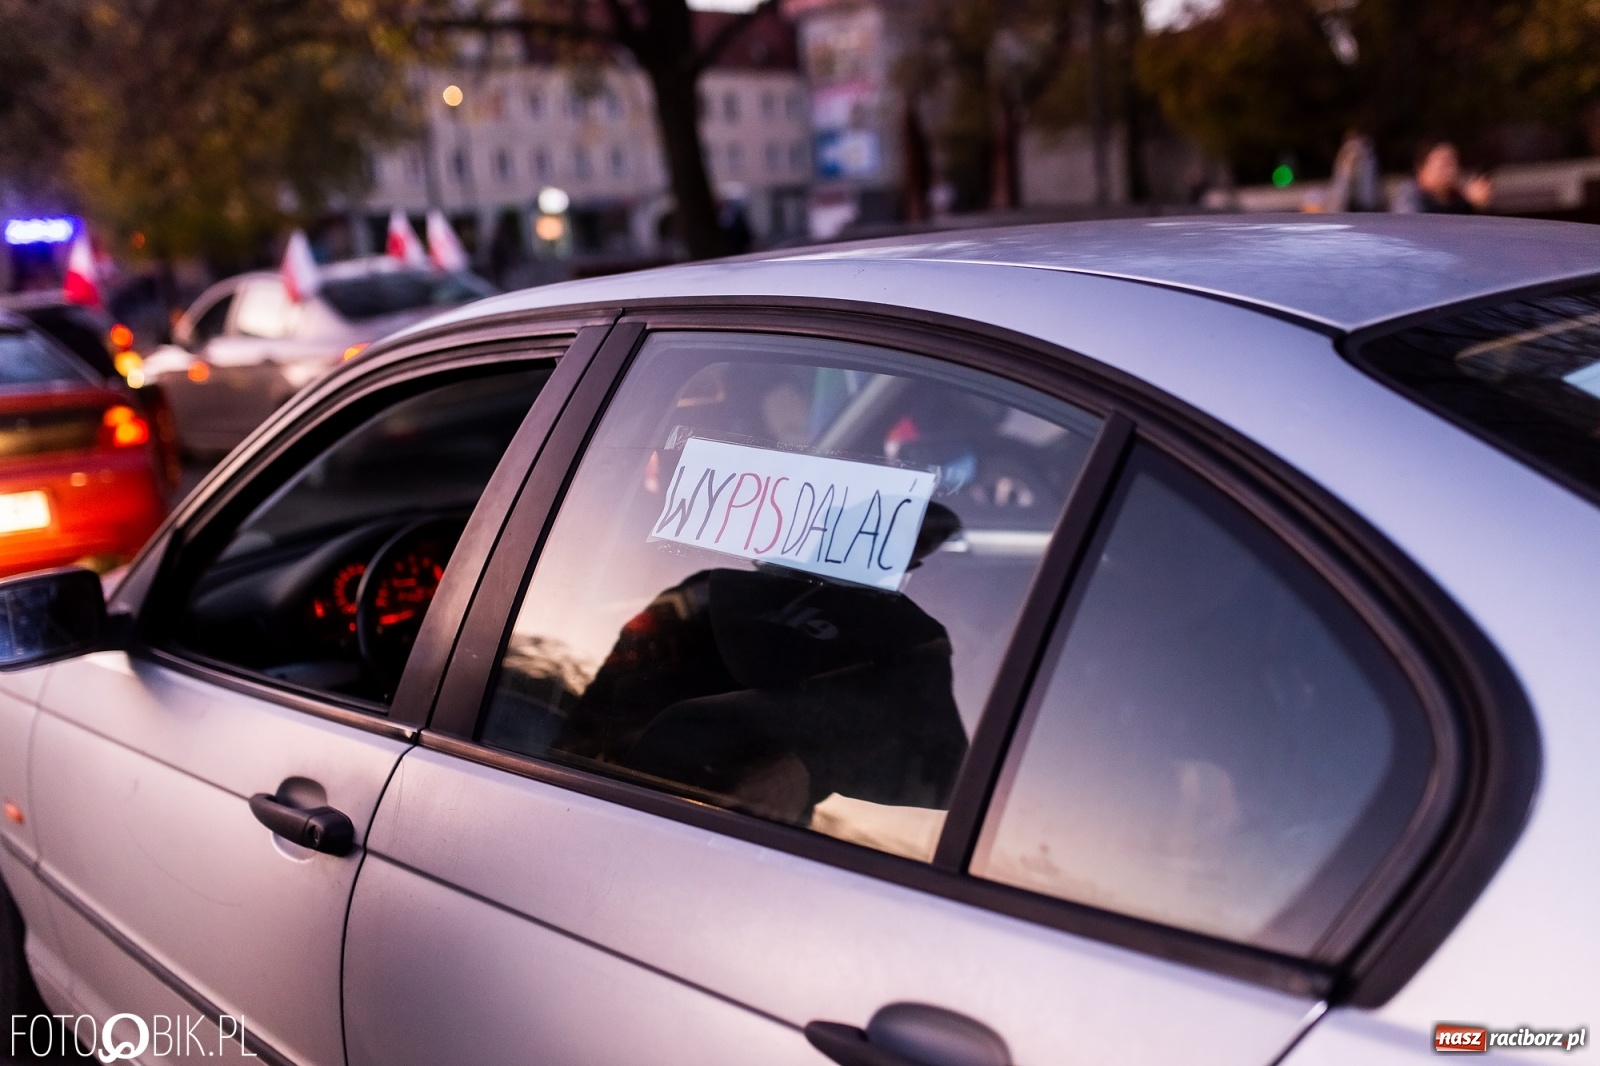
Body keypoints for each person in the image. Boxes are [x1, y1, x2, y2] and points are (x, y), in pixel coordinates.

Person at [554, 503, 969, 825]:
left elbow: (942, 768)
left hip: (759, 837)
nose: (884, 552)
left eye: (911, 549)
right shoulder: (709, 593)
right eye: (867, 532)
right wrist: (562, 773)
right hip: (614, 803)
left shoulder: (912, 640)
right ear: (825, 528)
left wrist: (809, 767)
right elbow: (597, 708)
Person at [1392, 141, 1493, 214]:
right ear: (1421, 168)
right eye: (1444, 164)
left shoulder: (1455, 196)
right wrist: (1467, 203)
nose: (1450, 170)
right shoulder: (1409, 196)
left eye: (1453, 163)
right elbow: (1421, 228)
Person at [1326, 132, 1384, 212]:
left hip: (1365, 199)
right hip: (1348, 199)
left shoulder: (1367, 156)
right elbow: (1343, 177)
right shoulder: (1347, 154)